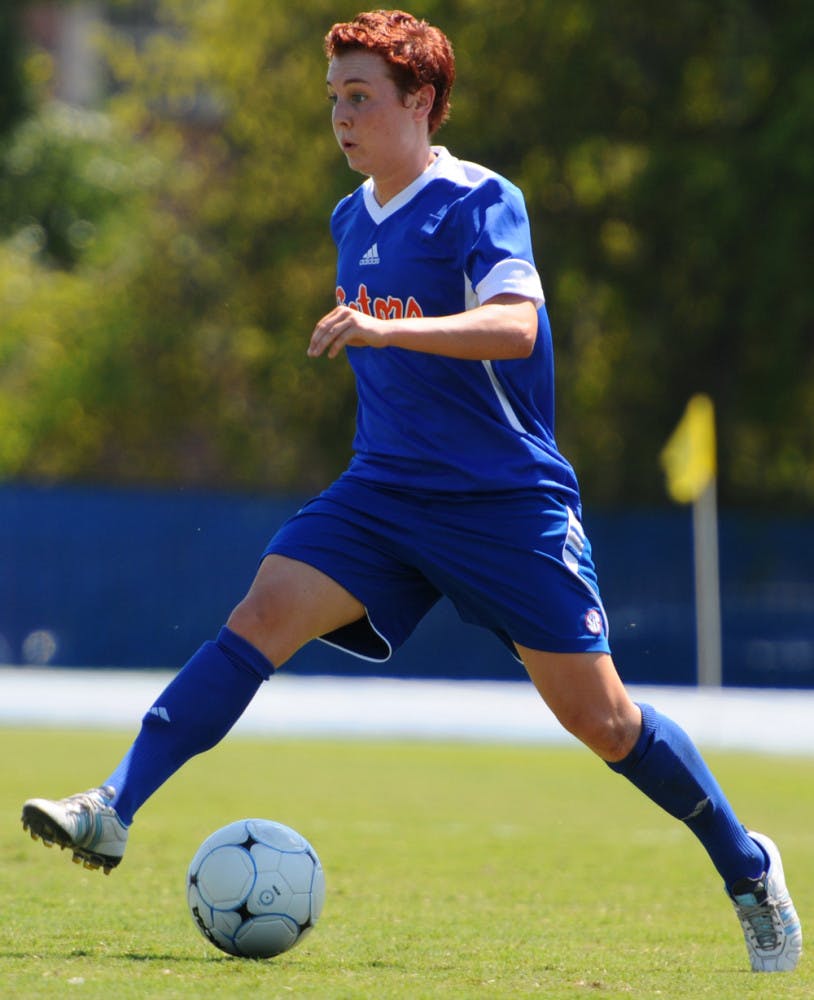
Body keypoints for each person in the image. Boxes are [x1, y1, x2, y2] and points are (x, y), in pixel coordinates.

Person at [21, 9, 800, 973]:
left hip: (505, 503)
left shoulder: (480, 200)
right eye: (333, 99)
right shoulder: (351, 217)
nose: (341, 118)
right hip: (384, 495)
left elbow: (515, 327)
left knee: (602, 721)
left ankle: (746, 864)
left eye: (360, 97)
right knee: (262, 612)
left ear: (420, 101)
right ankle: (113, 806)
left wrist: (392, 330)